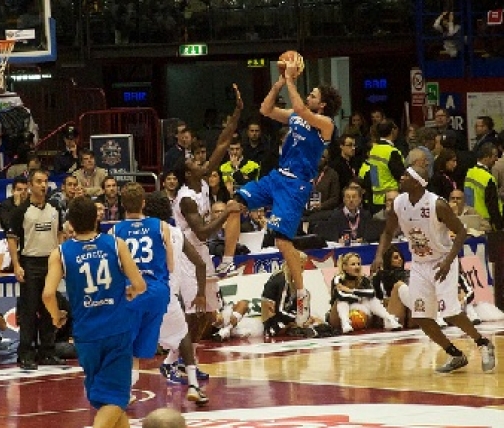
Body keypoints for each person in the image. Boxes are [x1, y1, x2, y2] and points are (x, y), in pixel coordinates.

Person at [220, 58, 341, 330]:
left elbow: (298, 105)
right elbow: (265, 109)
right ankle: (228, 261)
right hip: (276, 176)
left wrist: (290, 79)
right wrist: (278, 83)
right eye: (308, 92)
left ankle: (301, 296)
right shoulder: (298, 115)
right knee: (234, 203)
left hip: (296, 184)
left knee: (283, 242)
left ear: (321, 105)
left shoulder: (325, 124)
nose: (308, 96)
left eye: (314, 95)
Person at [371, 166, 496, 373]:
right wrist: (377, 256)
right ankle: (455, 354)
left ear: (418, 182)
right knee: (421, 316)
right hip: (420, 263)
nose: (401, 178)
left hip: (442, 260)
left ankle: (483, 343)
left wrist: (448, 261)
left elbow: (461, 231)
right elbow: (387, 231)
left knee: (450, 314)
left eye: (406, 176)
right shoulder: (399, 203)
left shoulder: (437, 204)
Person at [42, 196, 146, 428]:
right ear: (97, 218)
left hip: (86, 334)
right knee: (116, 396)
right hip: (117, 329)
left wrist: (56, 316)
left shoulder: (60, 253)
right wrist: (130, 292)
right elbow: (140, 285)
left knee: (106, 397)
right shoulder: (116, 244)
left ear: (70, 223)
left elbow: (48, 295)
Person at [171, 85, 243, 373]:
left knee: (207, 316)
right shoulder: (186, 198)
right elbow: (201, 233)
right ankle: (174, 363)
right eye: (194, 161)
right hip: (188, 254)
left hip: (200, 253)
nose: (201, 161)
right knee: (193, 313)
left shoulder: (199, 182)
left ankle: (182, 361)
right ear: (187, 172)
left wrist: (237, 112)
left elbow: (223, 144)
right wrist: (226, 212)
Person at [143, 191, 209, 404]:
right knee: (183, 335)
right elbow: (200, 263)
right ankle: (193, 384)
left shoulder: (130, 231)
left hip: (137, 295)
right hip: (165, 294)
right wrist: (200, 293)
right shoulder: (175, 233)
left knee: (129, 342)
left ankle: (124, 390)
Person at [109, 183, 173, 397]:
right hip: (158, 292)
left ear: (122, 204)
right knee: (141, 348)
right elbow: (171, 266)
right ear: (144, 203)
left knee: (126, 347)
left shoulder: (115, 230)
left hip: (131, 292)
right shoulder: (161, 226)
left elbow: (112, 268)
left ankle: (124, 391)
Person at [6, 169, 64, 370]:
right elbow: (12, 239)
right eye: (39, 181)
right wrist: (16, 264)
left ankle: (47, 351)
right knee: (29, 309)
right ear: (30, 185)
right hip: (30, 262)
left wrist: (61, 259)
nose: (43, 185)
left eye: (45, 181)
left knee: (49, 308)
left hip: (51, 261)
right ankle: (26, 353)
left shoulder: (55, 208)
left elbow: (60, 234)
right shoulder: (21, 211)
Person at [328, 252, 401, 333]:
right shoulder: (338, 279)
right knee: (341, 301)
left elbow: (372, 293)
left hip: (359, 309)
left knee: (371, 299)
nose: (357, 267)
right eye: (353, 264)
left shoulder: (363, 279)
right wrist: (360, 296)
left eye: (358, 264)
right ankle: (345, 323)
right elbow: (341, 296)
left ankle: (389, 319)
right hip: (338, 314)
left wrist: (351, 291)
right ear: (345, 267)